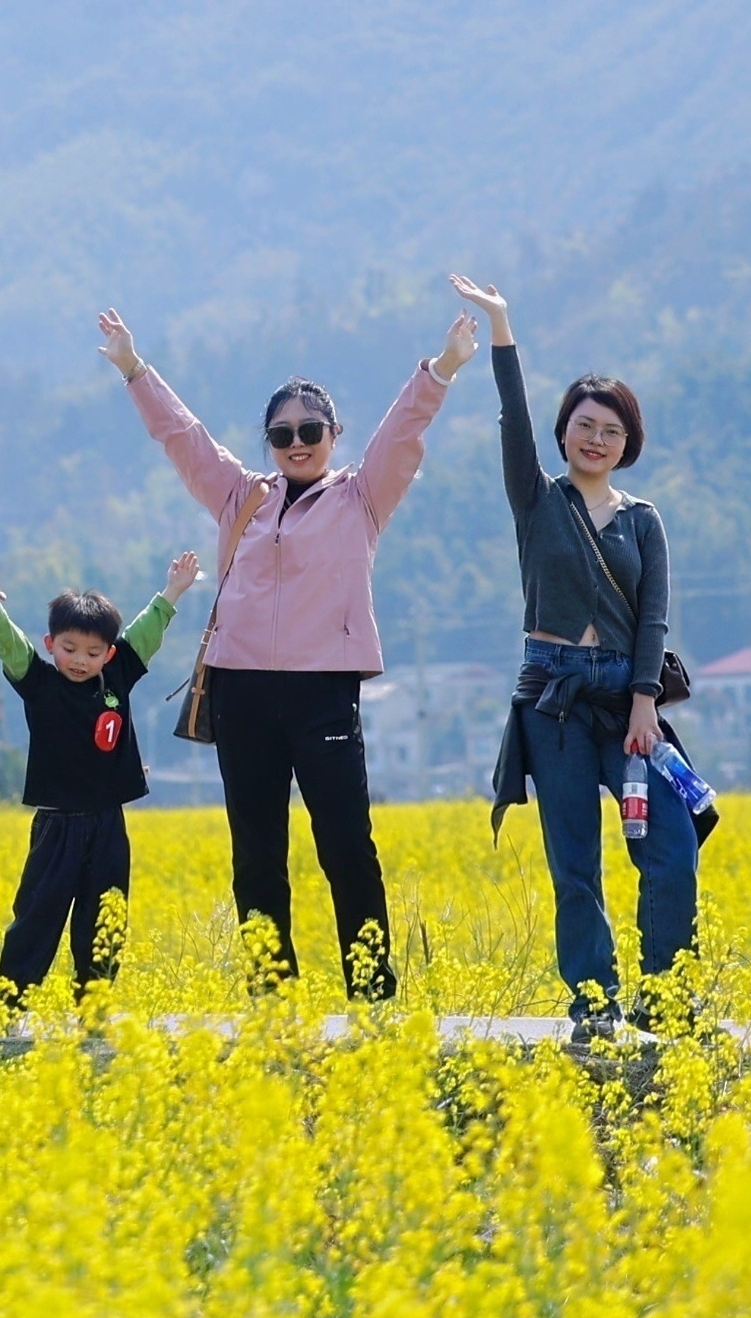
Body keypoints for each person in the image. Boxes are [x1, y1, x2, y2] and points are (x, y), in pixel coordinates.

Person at [97, 304, 473, 998]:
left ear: (334, 434)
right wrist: (133, 368)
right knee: (256, 853)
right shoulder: (240, 496)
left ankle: (372, 988)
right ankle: (272, 994)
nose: (296, 444)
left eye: (309, 431)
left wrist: (442, 367)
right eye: (281, 434)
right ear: (268, 441)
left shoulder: (362, 496)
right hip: (240, 690)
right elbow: (183, 437)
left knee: (346, 845)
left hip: (323, 690)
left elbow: (403, 432)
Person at [450, 277, 696, 1026]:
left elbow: (652, 619)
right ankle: (595, 1000)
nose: (596, 439)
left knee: (671, 845)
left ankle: (665, 997)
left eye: (611, 430)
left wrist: (646, 703)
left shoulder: (643, 520)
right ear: (564, 433)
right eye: (584, 425)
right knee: (575, 863)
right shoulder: (537, 500)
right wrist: (502, 327)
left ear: (628, 443)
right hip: (552, 699)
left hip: (625, 701)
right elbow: (512, 419)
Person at [0, 554, 198, 1006]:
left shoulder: (118, 674)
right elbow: (8, 642)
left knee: (105, 919)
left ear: (108, 654)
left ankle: (93, 1007)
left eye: (93, 653)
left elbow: (145, 633)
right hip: (57, 825)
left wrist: (173, 590)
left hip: (108, 822)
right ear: (50, 644)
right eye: (69, 649)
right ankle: (8, 1006)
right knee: (37, 916)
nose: (80, 660)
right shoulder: (38, 681)